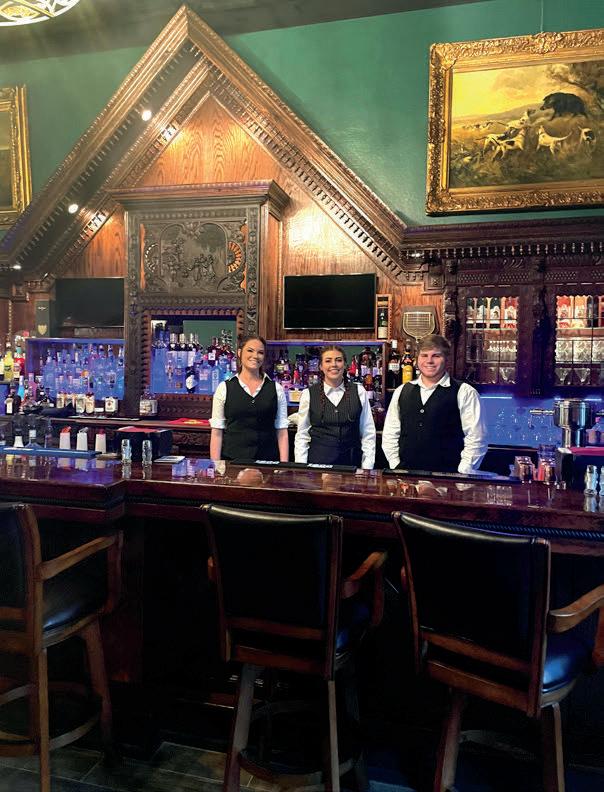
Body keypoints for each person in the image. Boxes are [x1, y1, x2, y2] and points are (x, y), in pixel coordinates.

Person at [382, 334, 487, 474]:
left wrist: (462, 472)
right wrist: (396, 466)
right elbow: (390, 434)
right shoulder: (402, 391)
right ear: (417, 359)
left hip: (448, 480)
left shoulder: (465, 392)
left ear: (447, 359)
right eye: (424, 355)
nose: (429, 361)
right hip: (407, 479)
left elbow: (477, 438)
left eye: (436, 356)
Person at [294, 345, 376, 469]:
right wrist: (301, 468)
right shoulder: (308, 394)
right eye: (328, 361)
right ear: (321, 366)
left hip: (351, 466)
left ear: (345, 365)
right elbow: (302, 436)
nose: (334, 364)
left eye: (338, 360)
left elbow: (368, 433)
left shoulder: (359, 391)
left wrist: (367, 468)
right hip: (317, 467)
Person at [210, 335, 289, 463]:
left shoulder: (276, 389)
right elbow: (217, 433)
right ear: (239, 353)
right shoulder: (224, 388)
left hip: (267, 463)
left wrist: (283, 466)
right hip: (233, 463)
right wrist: (215, 466)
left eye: (260, 352)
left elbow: (282, 432)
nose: (255, 356)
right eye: (250, 350)